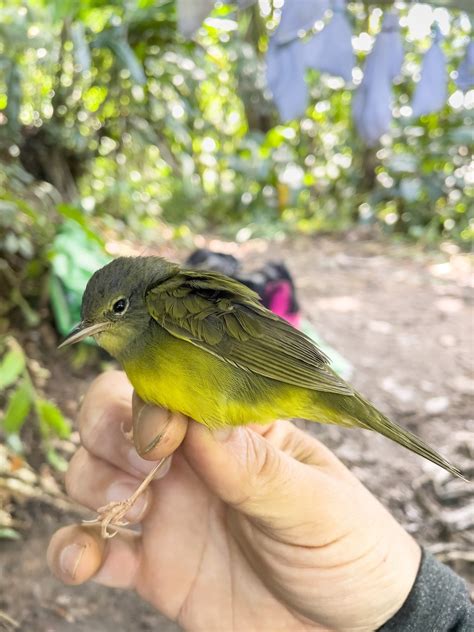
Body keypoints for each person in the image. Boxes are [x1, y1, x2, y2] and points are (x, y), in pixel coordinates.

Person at [47, 371, 473, 631]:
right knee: (156, 441)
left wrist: (416, 613)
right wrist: (419, 617)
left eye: (116, 311)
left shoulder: (170, 306)